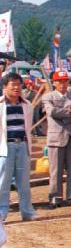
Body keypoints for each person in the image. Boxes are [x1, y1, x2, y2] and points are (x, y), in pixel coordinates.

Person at [0, 73, 37, 221]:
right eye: (12, 85)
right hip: (5, 146)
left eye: (18, 84)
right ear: (4, 87)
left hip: (22, 144)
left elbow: (27, 126)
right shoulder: (0, 104)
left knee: (24, 181)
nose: (16, 88)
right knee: (3, 181)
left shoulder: (27, 105)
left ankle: (27, 212)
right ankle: (2, 213)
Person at [43, 70, 71, 208]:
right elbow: (51, 112)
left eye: (65, 81)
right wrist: (69, 112)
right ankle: (55, 197)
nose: (63, 84)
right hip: (55, 136)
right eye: (59, 81)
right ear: (54, 83)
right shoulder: (48, 97)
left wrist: (62, 113)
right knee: (55, 170)